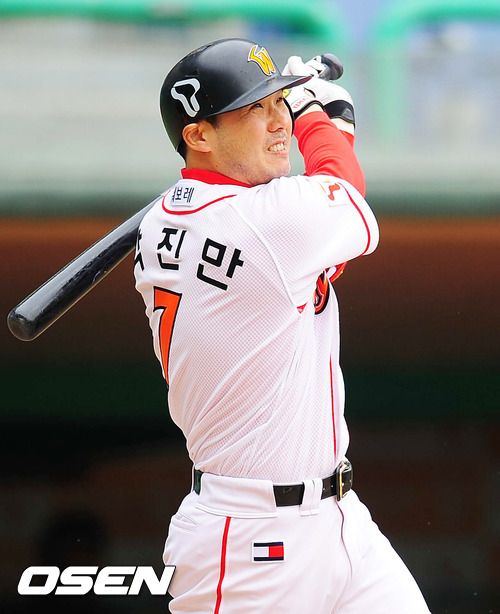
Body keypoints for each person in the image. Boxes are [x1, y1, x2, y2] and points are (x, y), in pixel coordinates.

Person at [134, 38, 430, 613]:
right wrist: (320, 117)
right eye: (254, 109)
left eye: (280, 104)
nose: (280, 123)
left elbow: (317, 242)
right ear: (198, 135)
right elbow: (341, 194)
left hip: (340, 518)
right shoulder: (259, 221)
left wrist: (327, 126)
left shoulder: (170, 221)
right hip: (250, 538)